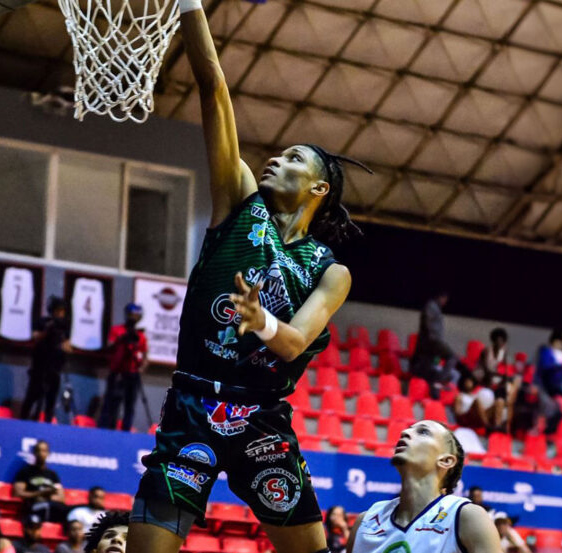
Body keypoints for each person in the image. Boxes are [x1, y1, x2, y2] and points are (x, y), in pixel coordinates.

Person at [126, 3, 370, 553]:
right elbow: (214, 89)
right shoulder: (238, 202)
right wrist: (189, 5)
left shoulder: (331, 271)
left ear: (318, 189)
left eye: (292, 160)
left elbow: (295, 343)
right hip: (191, 405)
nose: (275, 161)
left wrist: (262, 320)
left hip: (261, 417)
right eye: (277, 154)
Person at [346, 420, 501, 553]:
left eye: (423, 432)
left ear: (446, 461)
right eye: (409, 429)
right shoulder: (366, 521)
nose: (405, 432)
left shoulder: (467, 517)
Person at [20, 297, 72, 422]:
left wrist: (63, 343)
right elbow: (35, 337)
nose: (60, 314)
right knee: (31, 398)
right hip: (39, 369)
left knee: (50, 402)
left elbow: (68, 347)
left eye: (62, 311)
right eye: (58, 311)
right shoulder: (43, 322)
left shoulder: (64, 327)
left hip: (54, 370)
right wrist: (47, 331)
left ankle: (47, 425)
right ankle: (22, 421)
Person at [99, 304, 148, 432]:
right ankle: (107, 429)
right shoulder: (117, 330)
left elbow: (144, 355)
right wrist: (122, 339)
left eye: (136, 316)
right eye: (131, 315)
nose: (133, 318)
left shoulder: (140, 336)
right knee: (111, 403)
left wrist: (141, 367)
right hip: (117, 372)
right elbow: (109, 347)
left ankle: (125, 431)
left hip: (132, 374)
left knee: (129, 405)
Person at [410, 292, 458, 399]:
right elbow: (430, 327)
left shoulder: (435, 308)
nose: (445, 302)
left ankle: (436, 388)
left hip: (428, 363)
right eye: (445, 298)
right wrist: (437, 342)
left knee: (450, 375)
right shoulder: (431, 306)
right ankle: (437, 384)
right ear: (441, 297)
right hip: (423, 360)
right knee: (452, 357)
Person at [13, 440, 66, 523]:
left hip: (52, 507)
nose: (41, 453)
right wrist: (40, 493)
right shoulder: (25, 472)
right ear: (34, 453)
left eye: (44, 451)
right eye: (38, 450)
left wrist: (46, 496)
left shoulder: (53, 475)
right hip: (33, 507)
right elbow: (18, 493)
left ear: (48, 453)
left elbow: (61, 497)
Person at [534, 329, 562, 435]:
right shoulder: (545, 352)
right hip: (543, 386)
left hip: (555, 390)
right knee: (547, 405)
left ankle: (550, 433)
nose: (559, 344)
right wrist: (557, 363)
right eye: (557, 342)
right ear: (553, 341)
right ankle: (539, 431)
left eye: (561, 342)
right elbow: (545, 368)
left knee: (559, 406)